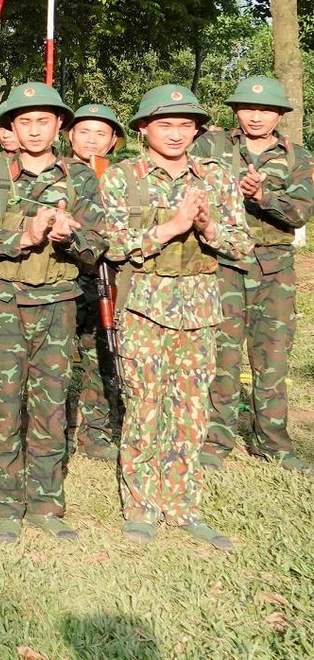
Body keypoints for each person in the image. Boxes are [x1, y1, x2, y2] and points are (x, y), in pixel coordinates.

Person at [98, 84, 252, 548]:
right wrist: (170, 228)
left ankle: (183, 505)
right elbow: (113, 244)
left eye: (186, 126)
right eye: (165, 124)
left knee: (191, 411)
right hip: (145, 308)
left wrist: (208, 227)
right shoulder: (123, 177)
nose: (176, 134)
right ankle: (141, 506)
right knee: (145, 406)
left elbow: (243, 246)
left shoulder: (216, 177)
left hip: (202, 309)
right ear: (144, 128)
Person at [0, 83, 103, 544]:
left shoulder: (81, 178)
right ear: (10, 127)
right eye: (23, 121)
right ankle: (6, 505)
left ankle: (46, 503)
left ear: (59, 125)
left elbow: (100, 245)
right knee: (5, 402)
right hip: (7, 300)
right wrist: (22, 237)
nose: (33, 129)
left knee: (50, 403)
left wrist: (71, 239)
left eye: (43, 120)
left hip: (61, 301)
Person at [192, 76, 314, 475]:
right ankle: (216, 439)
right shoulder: (210, 146)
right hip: (221, 266)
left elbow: (300, 214)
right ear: (236, 111)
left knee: (272, 359)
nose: (256, 115)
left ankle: (273, 443)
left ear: (279, 114)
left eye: (265, 109)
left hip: (274, 270)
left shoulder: (298, 157)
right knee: (221, 359)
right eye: (248, 108)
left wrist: (264, 197)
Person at [65, 104, 126, 462]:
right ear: (69, 135)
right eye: (84, 131)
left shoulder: (121, 177)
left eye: (100, 133)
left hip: (108, 276)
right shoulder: (55, 172)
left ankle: (96, 430)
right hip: (65, 274)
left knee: (101, 351)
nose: (91, 140)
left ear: (114, 140)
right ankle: (52, 428)